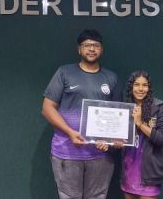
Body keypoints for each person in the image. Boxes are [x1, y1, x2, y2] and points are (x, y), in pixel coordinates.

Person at [42, 29, 120, 199]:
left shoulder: (111, 78)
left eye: (96, 45)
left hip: (100, 155)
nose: (91, 49)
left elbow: (116, 115)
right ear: (79, 49)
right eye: (87, 45)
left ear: (102, 49)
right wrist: (70, 132)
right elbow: (47, 108)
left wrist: (110, 140)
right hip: (67, 152)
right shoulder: (64, 72)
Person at [121, 70, 163, 199]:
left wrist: (140, 123)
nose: (140, 89)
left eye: (144, 85)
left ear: (149, 88)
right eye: (136, 84)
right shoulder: (124, 107)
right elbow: (120, 138)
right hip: (128, 170)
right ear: (131, 87)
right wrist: (116, 143)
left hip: (149, 173)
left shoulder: (160, 107)